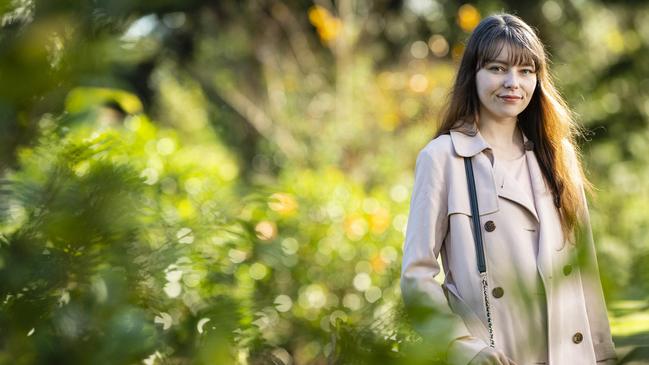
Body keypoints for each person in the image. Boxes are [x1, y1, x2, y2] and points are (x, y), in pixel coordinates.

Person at [400, 13, 617, 365]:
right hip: (498, 355)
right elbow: (416, 277)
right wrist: (463, 349)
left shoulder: (556, 155)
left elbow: (584, 270)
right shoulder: (443, 158)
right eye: (498, 69)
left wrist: (604, 356)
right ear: (473, 74)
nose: (512, 83)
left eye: (526, 71)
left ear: (538, 78)